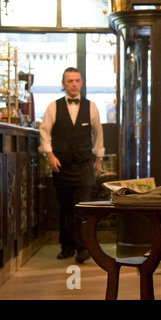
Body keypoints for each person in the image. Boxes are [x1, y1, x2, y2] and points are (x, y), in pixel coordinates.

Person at [39, 67, 104, 263]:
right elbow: (44, 131)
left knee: (82, 207)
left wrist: (98, 159)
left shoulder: (91, 106)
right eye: (70, 81)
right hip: (62, 165)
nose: (74, 84)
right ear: (63, 84)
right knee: (65, 208)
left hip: (84, 165)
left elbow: (98, 134)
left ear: (81, 83)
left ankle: (83, 247)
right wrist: (50, 154)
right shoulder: (53, 107)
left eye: (77, 80)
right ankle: (66, 246)